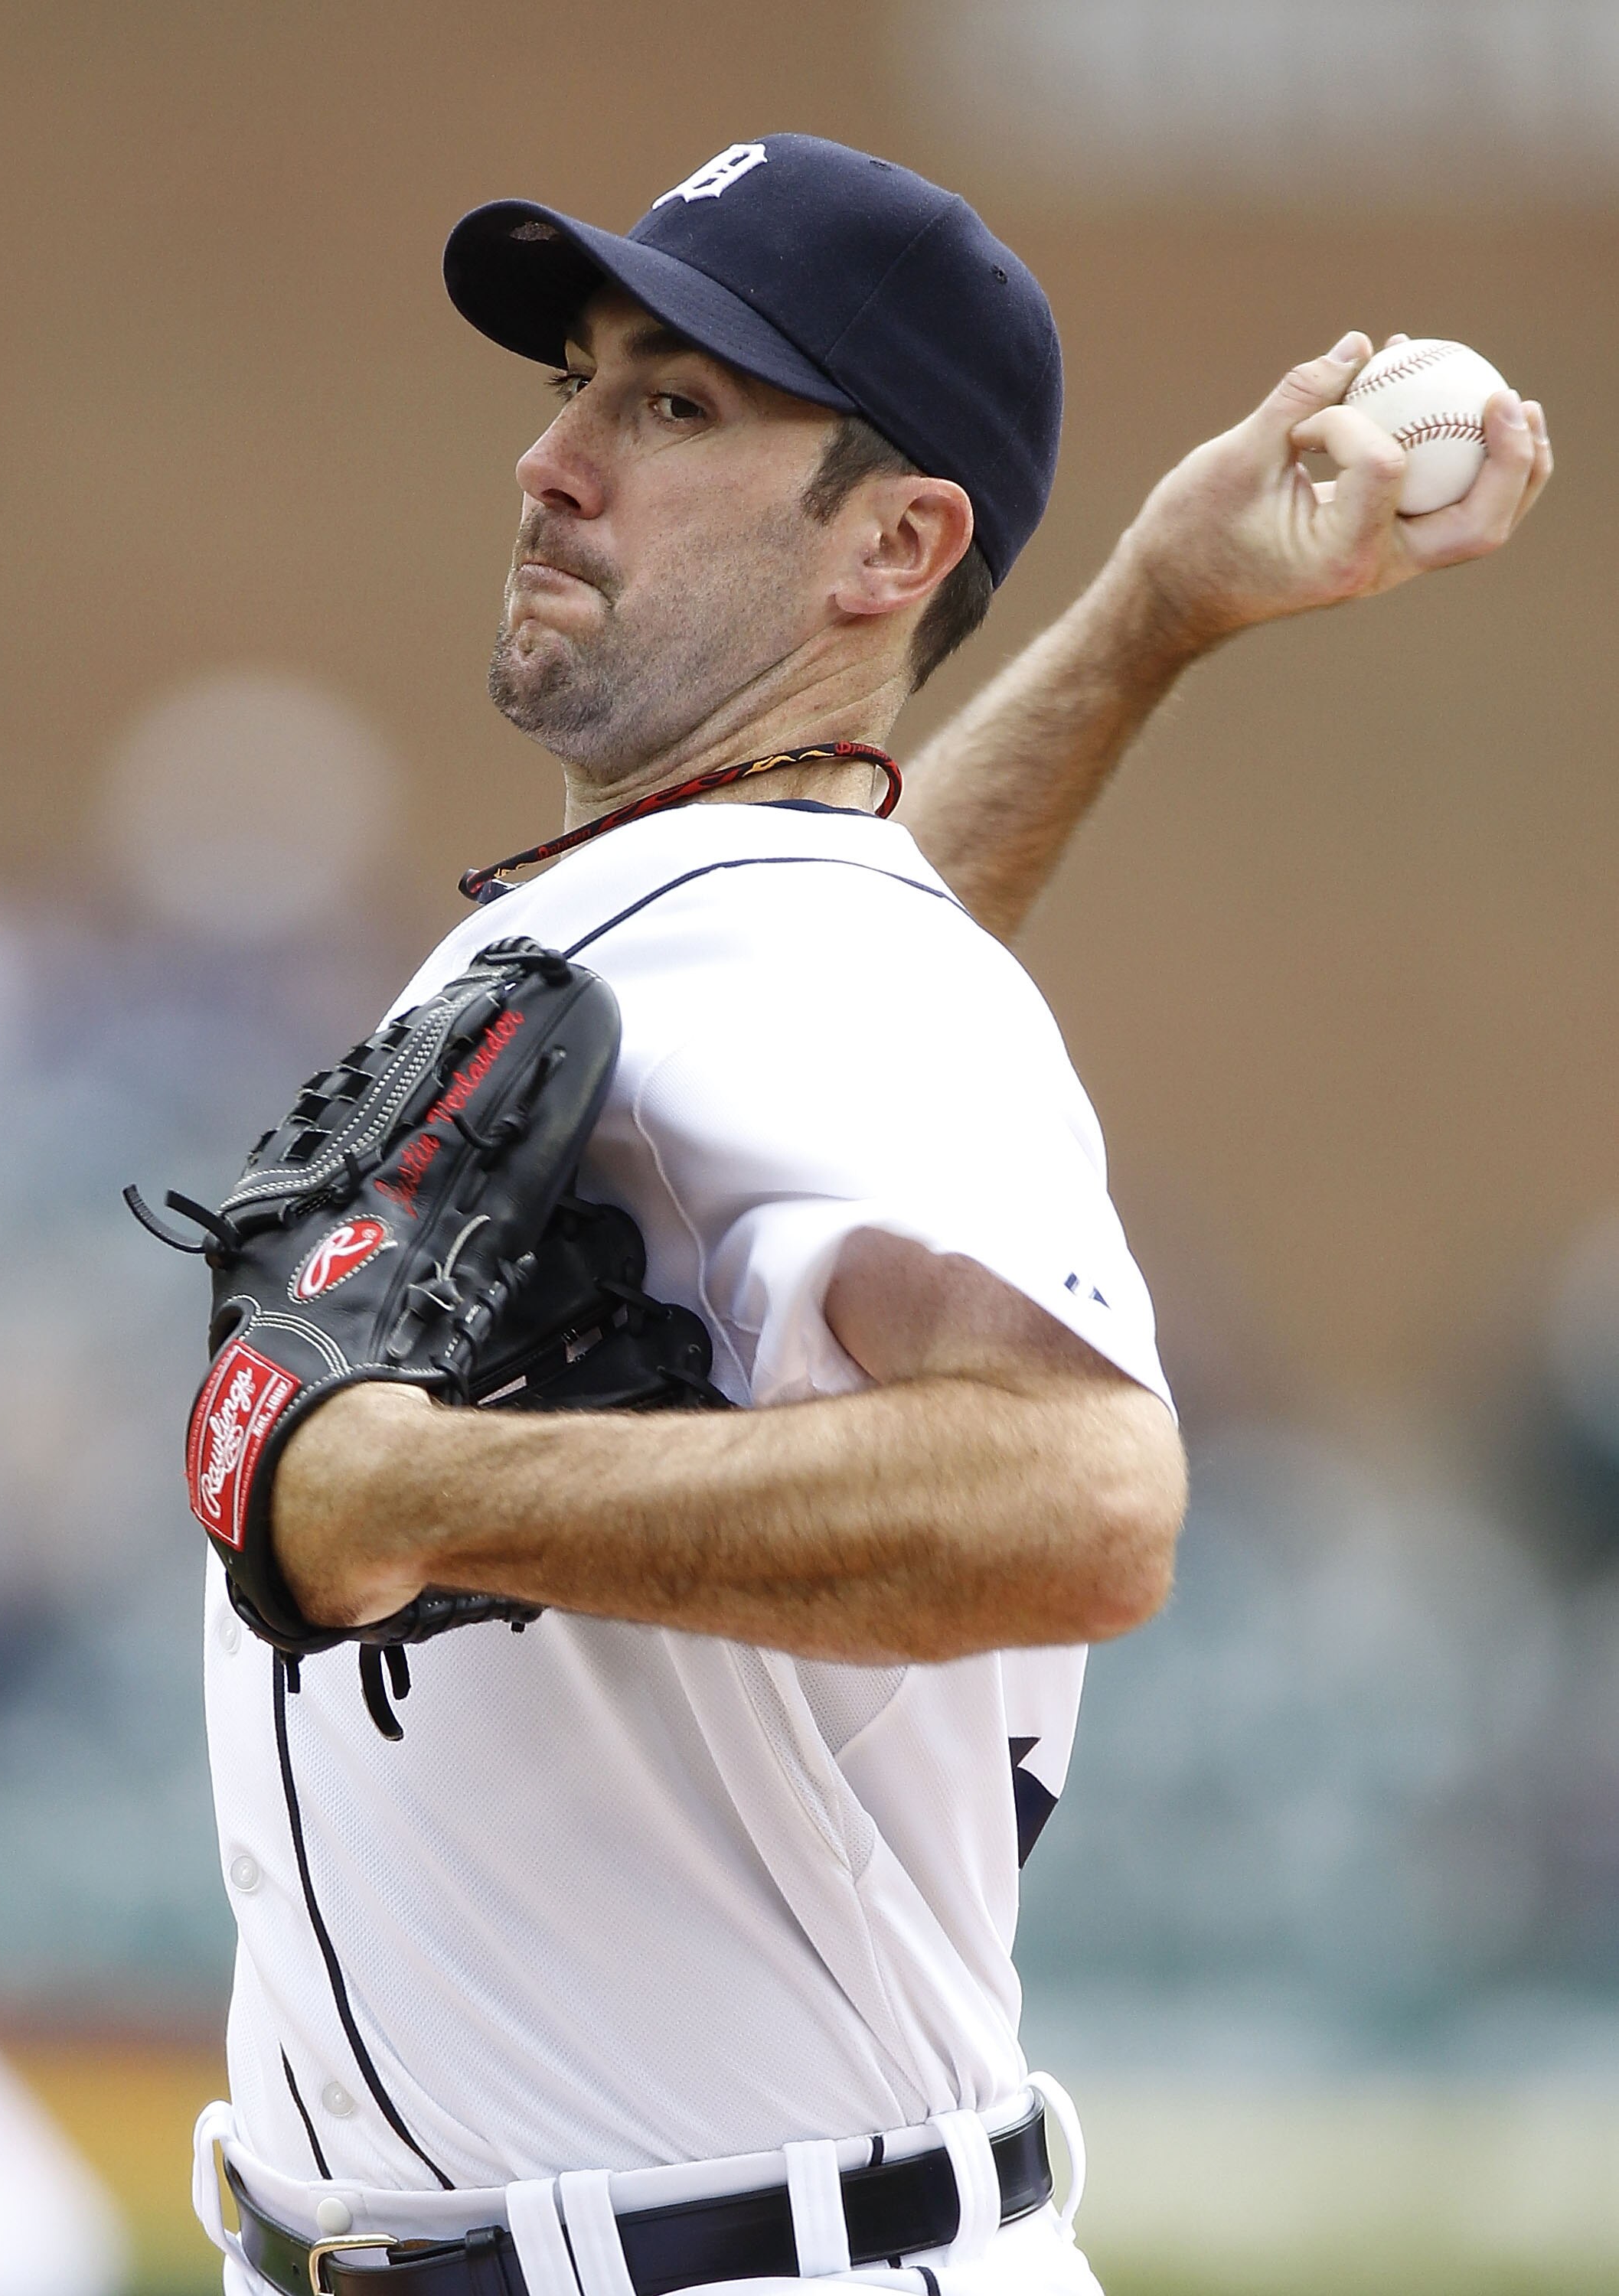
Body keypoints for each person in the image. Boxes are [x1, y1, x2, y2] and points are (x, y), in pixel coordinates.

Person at [192, 137, 1549, 2296]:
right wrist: (1146, 617)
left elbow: (1084, 1493)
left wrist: (417, 1488)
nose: (552, 462)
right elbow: (837, 942)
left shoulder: (826, 968)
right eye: (576, 383)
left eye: (673, 405)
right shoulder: (750, 926)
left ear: (898, 542)